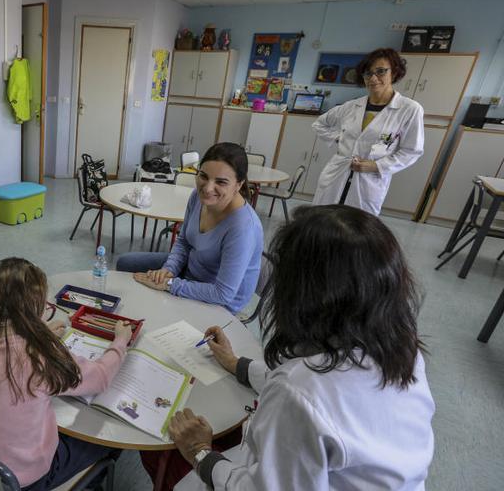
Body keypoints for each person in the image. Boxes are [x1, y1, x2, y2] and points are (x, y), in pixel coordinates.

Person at [164, 205, 435, 490]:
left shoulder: (299, 391)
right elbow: (324, 404)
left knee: (177, 473)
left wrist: (201, 453)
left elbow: (303, 403)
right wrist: (236, 364)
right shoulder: (402, 351)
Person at [0, 257, 130, 490]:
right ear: (32, 309)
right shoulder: (39, 356)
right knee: (111, 437)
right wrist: (121, 341)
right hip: (30, 479)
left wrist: (40, 330)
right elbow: (101, 377)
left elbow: (10, 350)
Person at [116, 143, 263, 314]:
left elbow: (223, 294)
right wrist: (168, 270)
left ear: (239, 184)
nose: (207, 188)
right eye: (203, 176)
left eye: (221, 182)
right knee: (125, 263)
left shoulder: (243, 228)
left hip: (217, 300)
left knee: (157, 314)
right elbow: (184, 241)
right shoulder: (197, 197)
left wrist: (169, 284)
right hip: (191, 270)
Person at [312, 48, 425, 215]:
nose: (373, 78)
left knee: (357, 229)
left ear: (394, 73)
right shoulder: (351, 106)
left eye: (381, 71)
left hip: (369, 182)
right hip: (336, 175)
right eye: (368, 73)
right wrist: (339, 138)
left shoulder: (409, 109)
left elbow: (411, 151)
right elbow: (319, 124)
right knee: (320, 222)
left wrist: (377, 166)